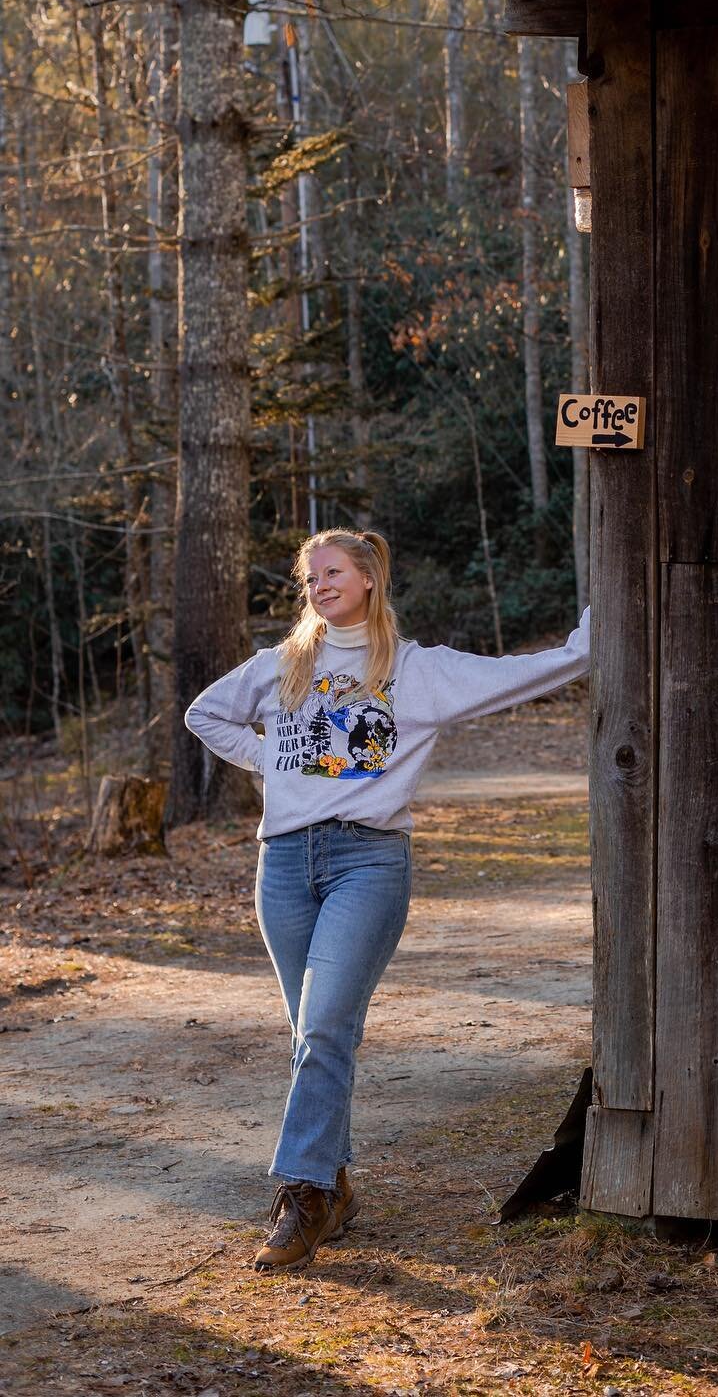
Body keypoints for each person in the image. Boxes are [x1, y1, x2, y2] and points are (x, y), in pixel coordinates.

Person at [184, 528, 590, 1272]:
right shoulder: (283, 666)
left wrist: (588, 641)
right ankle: (335, 1185)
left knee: (327, 1027)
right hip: (282, 865)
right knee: (313, 1034)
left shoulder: (416, 670)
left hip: (367, 861)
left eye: (332, 571)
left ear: (369, 576)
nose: (318, 586)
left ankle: (303, 1195)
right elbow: (204, 713)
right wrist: (271, 761)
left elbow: (518, 675)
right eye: (309, 577)